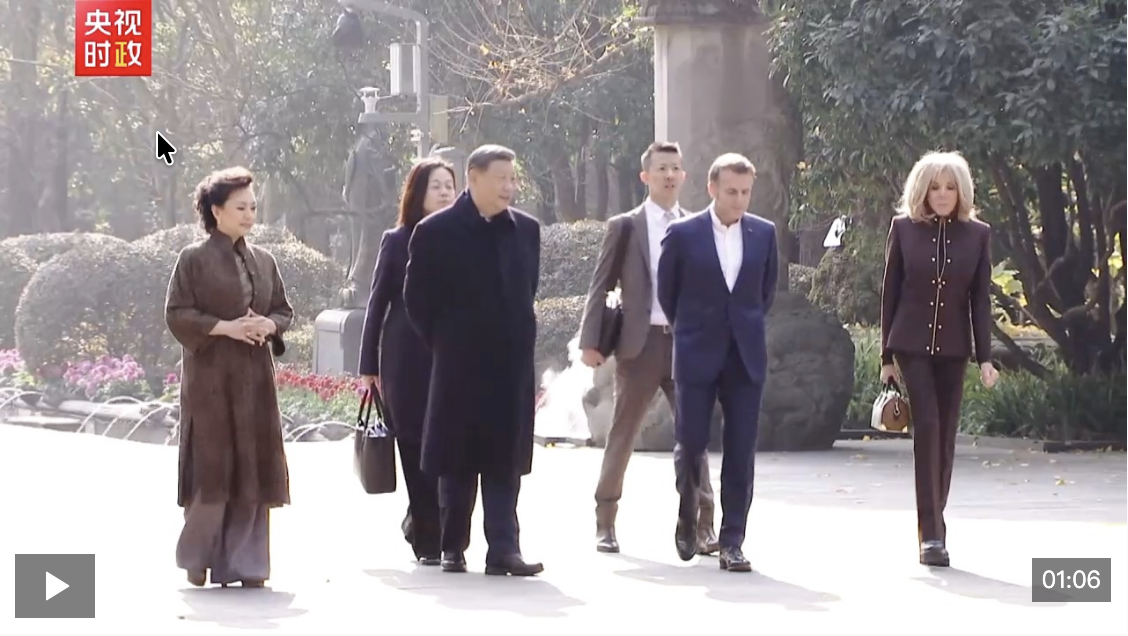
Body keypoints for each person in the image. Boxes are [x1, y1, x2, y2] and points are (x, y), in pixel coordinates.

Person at [402, 144, 544, 576]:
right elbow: (416, 300)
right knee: (457, 460)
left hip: (510, 365)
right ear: (474, 177)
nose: (509, 187)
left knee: (505, 461)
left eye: (513, 179)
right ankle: (453, 546)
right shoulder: (435, 231)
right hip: (459, 364)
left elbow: (528, 290)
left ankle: (504, 549)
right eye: (501, 178)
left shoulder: (525, 230)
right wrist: (446, 341)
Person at [577, 141, 718, 555]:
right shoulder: (626, 226)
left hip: (685, 345)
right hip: (640, 345)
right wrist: (590, 342)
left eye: (675, 168)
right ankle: (605, 521)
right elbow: (600, 285)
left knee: (694, 437)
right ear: (646, 176)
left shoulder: (697, 225)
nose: (669, 175)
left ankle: (704, 524)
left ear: (684, 176)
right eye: (661, 168)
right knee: (622, 434)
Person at [165, 166, 294, 588]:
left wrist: (268, 325)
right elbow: (177, 313)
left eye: (253, 207)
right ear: (216, 210)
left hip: (255, 379)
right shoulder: (193, 259)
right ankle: (198, 557)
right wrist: (227, 328)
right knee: (212, 469)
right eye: (240, 207)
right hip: (210, 380)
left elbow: (283, 310)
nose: (249, 215)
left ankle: (248, 565)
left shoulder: (265, 261)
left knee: (253, 468)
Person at [656, 153, 778, 573]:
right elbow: (667, 293)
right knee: (691, 444)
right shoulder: (683, 234)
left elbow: (764, 293)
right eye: (731, 192)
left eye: (745, 192)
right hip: (696, 352)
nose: (739, 200)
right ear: (712, 188)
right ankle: (688, 512)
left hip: (745, 356)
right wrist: (691, 330)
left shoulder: (764, 233)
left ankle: (732, 541)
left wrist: (742, 325)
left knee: (741, 450)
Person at [879, 150, 999, 568]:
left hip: (954, 348)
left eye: (950, 187)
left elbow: (980, 300)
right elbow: (890, 292)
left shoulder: (978, 234)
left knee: (946, 436)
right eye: (935, 187)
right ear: (922, 190)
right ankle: (930, 534)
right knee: (927, 426)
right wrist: (886, 357)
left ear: (961, 191)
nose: (943, 194)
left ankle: (936, 517)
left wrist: (985, 358)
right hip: (910, 345)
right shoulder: (903, 229)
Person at [358, 157, 458, 566]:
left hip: (452, 354)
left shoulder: (464, 237)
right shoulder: (397, 240)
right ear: (417, 193)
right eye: (437, 186)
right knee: (414, 445)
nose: (445, 192)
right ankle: (428, 538)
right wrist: (368, 365)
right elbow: (377, 303)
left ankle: (434, 525)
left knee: (449, 447)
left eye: (450, 185)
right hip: (405, 357)